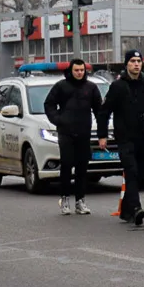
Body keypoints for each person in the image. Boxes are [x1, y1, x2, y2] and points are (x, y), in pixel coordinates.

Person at [97, 50, 144, 227]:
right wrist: (102, 135)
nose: (136, 64)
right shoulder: (118, 86)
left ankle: (126, 211)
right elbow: (104, 112)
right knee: (131, 170)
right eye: (132, 61)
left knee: (139, 174)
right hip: (125, 137)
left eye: (139, 61)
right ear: (126, 64)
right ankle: (137, 208)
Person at [44, 58, 103, 216]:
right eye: (76, 70)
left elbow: (99, 110)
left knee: (82, 167)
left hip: (84, 132)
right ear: (71, 71)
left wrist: (102, 132)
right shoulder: (61, 86)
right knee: (66, 164)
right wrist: (58, 119)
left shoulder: (91, 88)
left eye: (82, 70)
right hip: (66, 132)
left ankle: (80, 201)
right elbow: (49, 104)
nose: (79, 73)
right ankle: (65, 199)